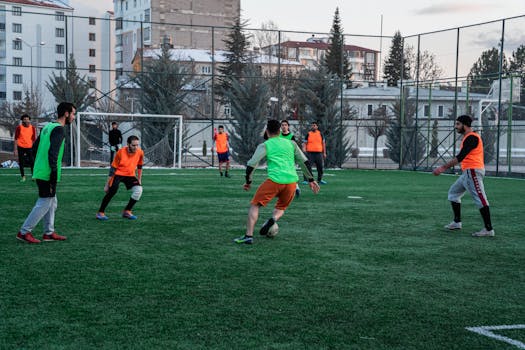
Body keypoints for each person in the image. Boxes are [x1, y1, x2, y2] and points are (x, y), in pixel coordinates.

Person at [234, 119, 320, 244]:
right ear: (280, 131)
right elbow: (304, 161)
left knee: (255, 205)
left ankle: (248, 236)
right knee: (281, 207)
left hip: (274, 181)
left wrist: (248, 181)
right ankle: (273, 219)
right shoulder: (291, 144)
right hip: (291, 182)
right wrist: (311, 179)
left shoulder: (266, 144)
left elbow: (252, 164)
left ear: (267, 132)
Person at [16, 102, 76, 244]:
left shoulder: (48, 126)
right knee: (44, 202)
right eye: (73, 113)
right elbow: (53, 154)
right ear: (66, 114)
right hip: (47, 173)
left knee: (52, 201)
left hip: (41, 170)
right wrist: (53, 175)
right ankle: (24, 232)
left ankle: (48, 233)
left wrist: (36, 165)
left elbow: (33, 149)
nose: (74, 117)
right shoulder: (59, 130)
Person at [433, 114, 495, 237]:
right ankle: (457, 222)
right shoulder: (468, 137)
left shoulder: (472, 137)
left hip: (473, 172)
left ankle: (489, 229)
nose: (456, 126)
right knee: (453, 193)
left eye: (458, 124)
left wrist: (443, 168)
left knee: (481, 199)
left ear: (465, 125)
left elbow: (461, 157)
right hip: (467, 173)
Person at [96, 135, 144, 221]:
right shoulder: (120, 152)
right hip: (118, 174)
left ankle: (127, 211)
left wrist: (139, 179)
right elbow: (112, 169)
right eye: (133, 145)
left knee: (139, 190)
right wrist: (107, 185)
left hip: (130, 175)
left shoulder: (140, 152)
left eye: (137, 145)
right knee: (112, 191)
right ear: (128, 144)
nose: (136, 147)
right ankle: (100, 212)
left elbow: (140, 166)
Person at [280, 119, 301, 198]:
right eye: (282, 125)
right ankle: (284, 190)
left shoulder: (291, 136)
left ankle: (296, 188)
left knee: (291, 173)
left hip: (289, 158)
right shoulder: (279, 136)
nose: (284, 126)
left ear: (288, 126)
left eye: (285, 125)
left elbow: (294, 147)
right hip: (281, 158)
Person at [14, 114, 37, 182]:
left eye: (27, 119)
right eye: (24, 119)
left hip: (29, 147)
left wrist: (34, 148)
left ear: (29, 120)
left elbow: (33, 139)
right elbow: (16, 138)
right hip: (20, 147)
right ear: (22, 120)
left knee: (32, 162)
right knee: (21, 162)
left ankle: (33, 176)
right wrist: (15, 149)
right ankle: (23, 176)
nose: (26, 120)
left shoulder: (32, 128)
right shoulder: (19, 127)